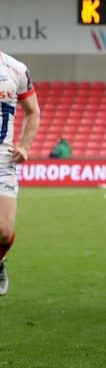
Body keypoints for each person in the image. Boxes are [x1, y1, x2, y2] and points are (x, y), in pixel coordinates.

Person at [0, 49, 40, 297]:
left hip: (3, 159)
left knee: (4, 231)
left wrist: (24, 146)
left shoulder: (15, 69)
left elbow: (33, 110)